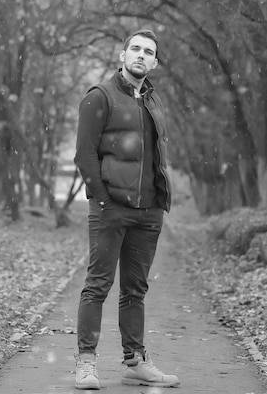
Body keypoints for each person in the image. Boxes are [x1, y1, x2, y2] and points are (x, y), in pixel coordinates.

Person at [73, 29, 179, 389]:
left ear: (154, 62)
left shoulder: (154, 100)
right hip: (110, 209)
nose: (141, 55)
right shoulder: (99, 97)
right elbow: (84, 154)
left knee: (136, 290)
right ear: (122, 56)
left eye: (148, 52)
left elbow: (157, 154)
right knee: (97, 286)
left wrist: (159, 201)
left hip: (149, 211)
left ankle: (135, 361)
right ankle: (86, 363)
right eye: (134, 48)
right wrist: (102, 198)